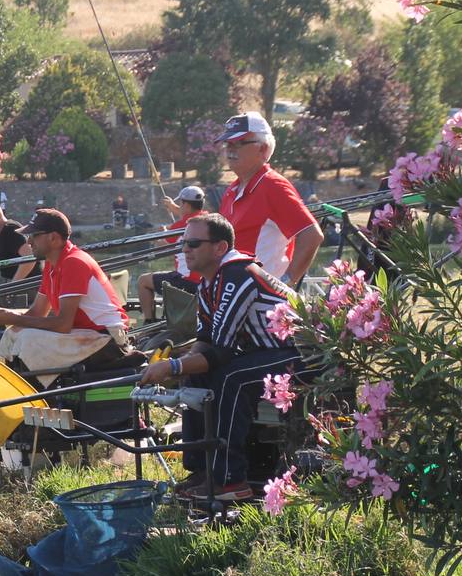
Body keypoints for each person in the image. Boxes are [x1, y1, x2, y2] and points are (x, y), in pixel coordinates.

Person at [137, 212, 309, 502]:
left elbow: (220, 352)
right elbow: (205, 341)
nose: (185, 249)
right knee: (197, 372)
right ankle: (202, 469)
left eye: (193, 243)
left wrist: (173, 366)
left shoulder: (237, 274)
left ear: (220, 247)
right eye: (183, 243)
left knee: (232, 377)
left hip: (302, 352)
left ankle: (231, 479)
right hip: (268, 352)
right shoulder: (208, 283)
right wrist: (177, 366)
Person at [0, 208, 129, 384]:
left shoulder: (74, 262)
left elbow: (62, 324)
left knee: (27, 339)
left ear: (53, 238)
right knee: (13, 332)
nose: (28, 241)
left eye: (34, 235)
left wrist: (12, 318)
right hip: (88, 334)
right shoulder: (53, 265)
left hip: (108, 340)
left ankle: (34, 396)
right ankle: (13, 392)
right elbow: (37, 312)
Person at [214, 112, 324, 286]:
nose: (231, 149)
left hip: (262, 301)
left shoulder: (273, 186)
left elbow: (312, 235)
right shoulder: (232, 190)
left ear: (263, 149)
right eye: (228, 144)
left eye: (240, 143)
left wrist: (285, 284)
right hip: (234, 295)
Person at [138, 185, 206, 323]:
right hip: (204, 280)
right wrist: (173, 207)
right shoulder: (206, 219)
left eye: (181, 203)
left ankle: (149, 321)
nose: (179, 206)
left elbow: (161, 244)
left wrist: (162, 233)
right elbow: (186, 215)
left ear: (185, 204)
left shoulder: (181, 226)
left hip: (186, 281)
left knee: (143, 281)